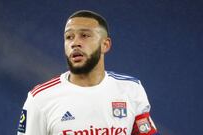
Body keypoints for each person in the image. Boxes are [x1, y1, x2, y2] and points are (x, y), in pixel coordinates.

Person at [17, 10, 160, 135]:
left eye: (84, 35)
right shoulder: (40, 99)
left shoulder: (130, 89)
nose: (75, 43)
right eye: (69, 37)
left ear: (105, 45)